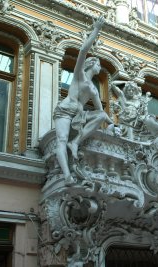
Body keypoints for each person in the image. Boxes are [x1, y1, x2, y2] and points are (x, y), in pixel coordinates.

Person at [54, 16, 112, 185]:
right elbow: (83, 51)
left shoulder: (94, 89)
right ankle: (67, 176)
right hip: (65, 110)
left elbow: (101, 112)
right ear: (91, 64)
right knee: (61, 140)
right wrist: (96, 30)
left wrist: (112, 124)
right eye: (98, 64)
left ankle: (76, 142)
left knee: (101, 116)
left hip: (80, 114)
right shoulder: (79, 76)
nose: (100, 67)